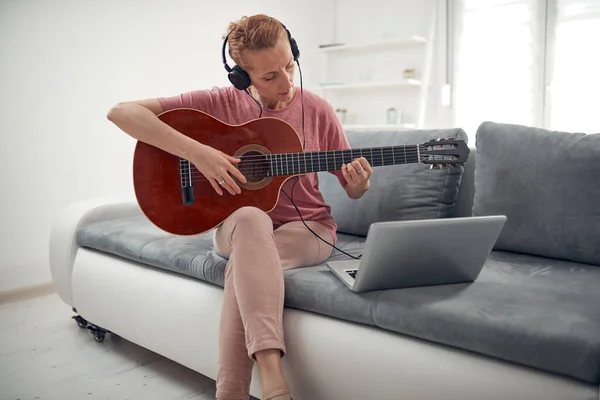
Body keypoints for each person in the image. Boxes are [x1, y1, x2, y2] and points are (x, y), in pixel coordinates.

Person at [107, 13, 373, 400]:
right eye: (270, 76)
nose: (285, 84)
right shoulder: (217, 103)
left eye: (289, 66)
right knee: (250, 218)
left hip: (309, 229)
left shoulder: (317, 110)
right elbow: (121, 112)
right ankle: (272, 377)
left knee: (246, 267)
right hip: (237, 227)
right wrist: (199, 154)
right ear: (241, 77)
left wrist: (359, 184)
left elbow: (351, 187)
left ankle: (232, 391)